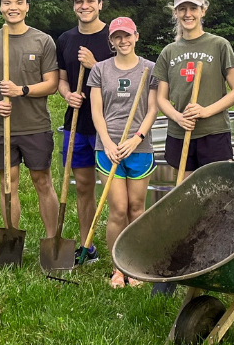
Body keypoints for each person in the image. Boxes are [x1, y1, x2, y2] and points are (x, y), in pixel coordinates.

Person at [151, 0, 234, 295]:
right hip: (180, 135)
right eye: (182, 9)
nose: (188, 14)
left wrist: (206, 110)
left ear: (203, 10)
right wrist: (176, 117)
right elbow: (161, 98)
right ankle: (181, 265)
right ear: (175, 12)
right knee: (186, 202)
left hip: (214, 134)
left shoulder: (219, 45)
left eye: (193, 8)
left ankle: (219, 260)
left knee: (218, 201)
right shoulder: (169, 51)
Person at [0, 0, 60, 244]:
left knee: (42, 181)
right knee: (7, 184)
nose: (13, 8)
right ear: (0, 7)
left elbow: (52, 84)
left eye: (19, 2)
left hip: (35, 125)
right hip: (1, 128)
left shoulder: (42, 40)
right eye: (7, 3)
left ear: (27, 7)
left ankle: (52, 239)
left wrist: (21, 90)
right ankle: (11, 240)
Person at [87, 17, 158, 288]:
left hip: (139, 148)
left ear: (136, 36)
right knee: (118, 209)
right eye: (117, 37)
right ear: (111, 41)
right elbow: (96, 110)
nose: (123, 41)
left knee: (137, 208)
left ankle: (136, 264)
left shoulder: (150, 69)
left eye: (127, 35)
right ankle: (119, 268)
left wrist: (137, 138)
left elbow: (152, 109)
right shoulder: (100, 70)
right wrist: (106, 142)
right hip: (109, 149)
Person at [56, 0, 116, 264]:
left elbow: (124, 82)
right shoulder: (66, 39)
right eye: (79, 1)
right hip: (77, 124)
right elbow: (62, 79)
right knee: (82, 185)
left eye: (90, 0)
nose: (85, 5)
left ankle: (120, 249)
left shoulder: (113, 37)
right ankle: (86, 246)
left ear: (100, 4)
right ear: (74, 6)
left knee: (113, 188)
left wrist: (96, 66)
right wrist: (68, 95)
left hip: (108, 124)